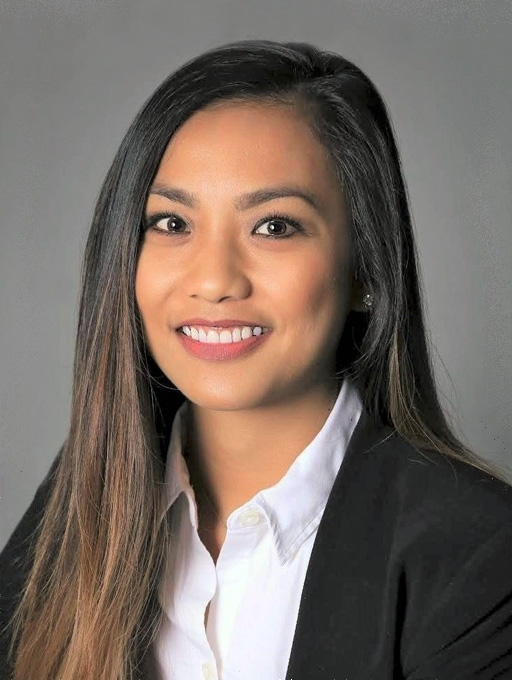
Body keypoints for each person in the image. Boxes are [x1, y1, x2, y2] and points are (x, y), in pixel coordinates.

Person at [1, 38, 511, 680]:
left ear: (365, 268)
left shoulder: (477, 551)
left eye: (274, 226)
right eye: (172, 224)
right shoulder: (72, 511)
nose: (214, 280)